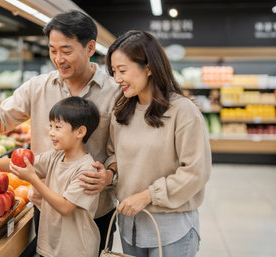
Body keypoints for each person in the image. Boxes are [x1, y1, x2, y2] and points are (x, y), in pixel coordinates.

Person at [0, 10, 121, 252]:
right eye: (53, 50)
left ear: (90, 48)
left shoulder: (116, 92)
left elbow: (125, 149)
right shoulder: (38, 87)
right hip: (45, 209)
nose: (58, 58)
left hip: (96, 210)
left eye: (66, 51)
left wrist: (109, 175)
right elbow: (0, 117)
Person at [102, 30, 211, 257]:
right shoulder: (121, 111)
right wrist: (110, 173)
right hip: (129, 225)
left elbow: (195, 171)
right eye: (113, 72)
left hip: (171, 228)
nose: (117, 79)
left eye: (122, 70)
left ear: (149, 67)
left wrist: (148, 195)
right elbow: (113, 154)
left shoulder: (182, 111)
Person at [0, 97, 101, 257]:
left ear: (80, 132)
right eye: (51, 126)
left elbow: (65, 207)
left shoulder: (87, 170)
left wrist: (33, 179)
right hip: (52, 246)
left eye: (58, 127)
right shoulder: (55, 157)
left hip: (76, 250)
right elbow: (17, 164)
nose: (51, 133)